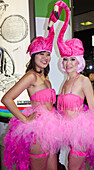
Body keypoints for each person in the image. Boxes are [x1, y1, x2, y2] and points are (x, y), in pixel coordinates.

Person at [48, 1, 94, 170]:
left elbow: (92, 106)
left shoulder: (82, 80)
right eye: (66, 59)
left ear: (79, 62)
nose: (69, 63)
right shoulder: (65, 81)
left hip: (81, 132)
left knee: (73, 165)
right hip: (66, 130)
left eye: (72, 59)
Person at [1, 10, 61, 170]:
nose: (45, 57)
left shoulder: (45, 75)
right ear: (33, 55)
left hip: (51, 127)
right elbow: (7, 99)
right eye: (41, 54)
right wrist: (26, 119)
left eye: (48, 54)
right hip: (38, 130)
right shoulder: (31, 76)